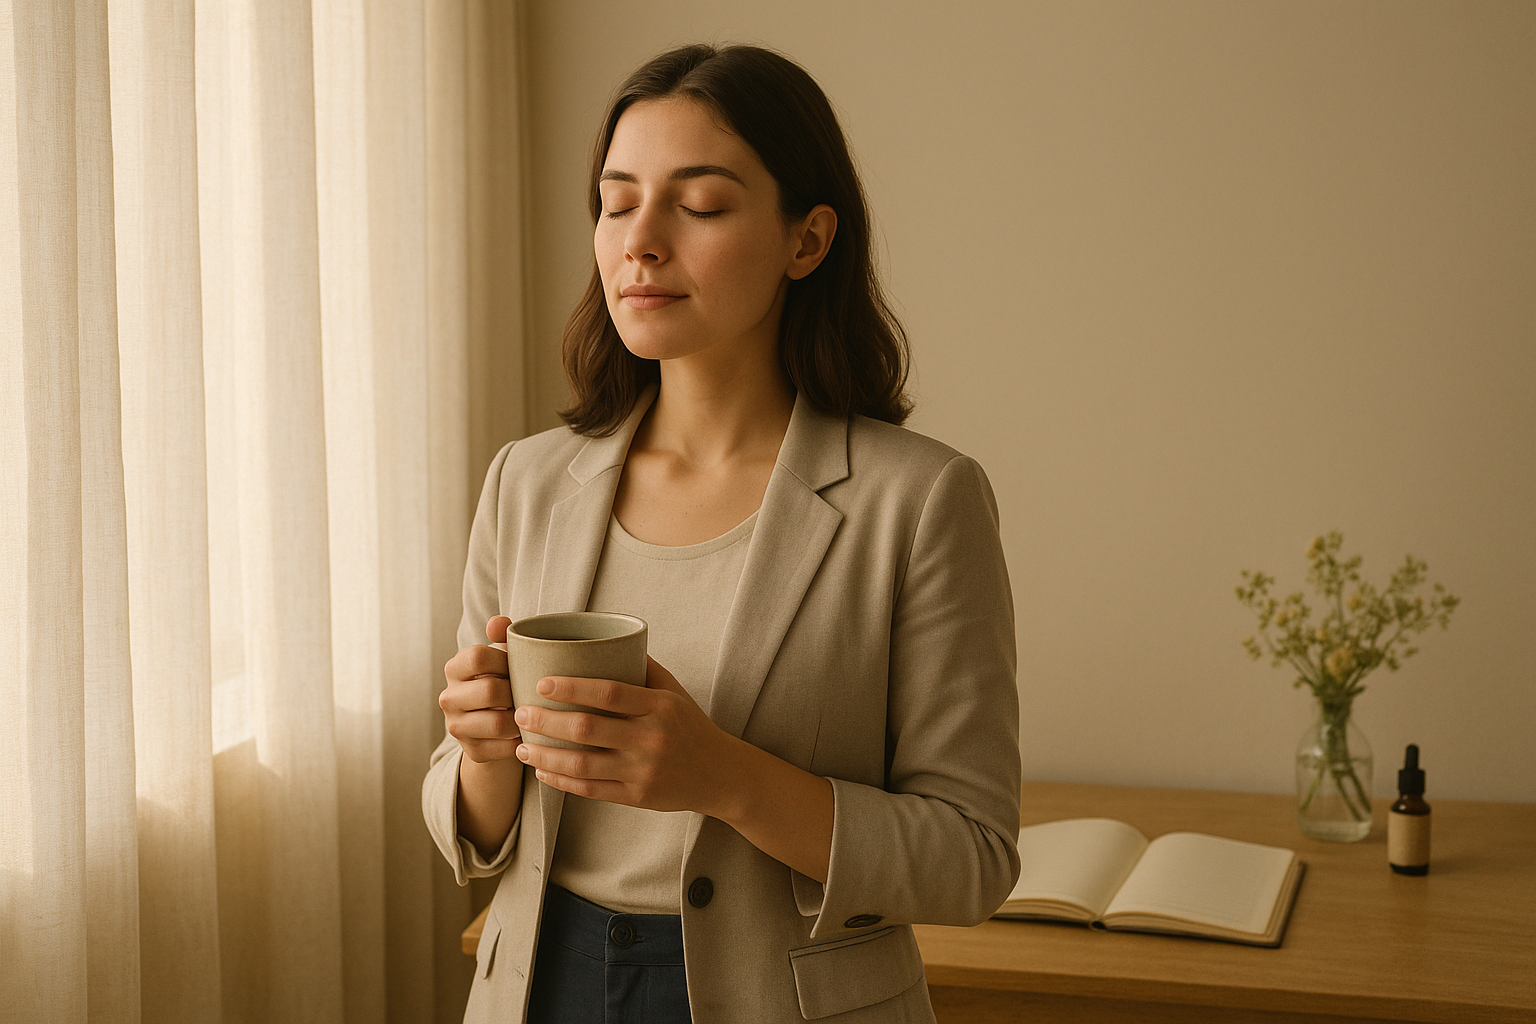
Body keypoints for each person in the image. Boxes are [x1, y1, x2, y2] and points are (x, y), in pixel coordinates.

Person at [423, 42, 1021, 1024]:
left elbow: (972, 856)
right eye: (616, 203)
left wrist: (724, 778)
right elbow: (472, 817)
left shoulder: (921, 501)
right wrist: (484, 751)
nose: (641, 242)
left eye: (698, 205)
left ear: (807, 240)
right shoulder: (525, 481)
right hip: (536, 984)